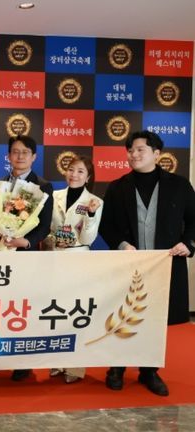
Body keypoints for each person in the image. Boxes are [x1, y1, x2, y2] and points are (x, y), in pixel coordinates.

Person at [99, 130, 195, 397]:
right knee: (122, 315)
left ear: (157, 153)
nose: (134, 154)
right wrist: (121, 244)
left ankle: (149, 370)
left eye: (140, 149)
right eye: (130, 150)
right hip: (127, 266)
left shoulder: (179, 186)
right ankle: (116, 367)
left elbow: (194, 220)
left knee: (155, 320)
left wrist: (188, 244)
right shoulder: (117, 187)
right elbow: (106, 225)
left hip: (165, 266)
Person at [43, 155, 102, 384]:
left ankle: (75, 368)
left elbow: (88, 238)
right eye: (71, 169)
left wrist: (91, 215)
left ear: (88, 177)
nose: (74, 174)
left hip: (78, 259)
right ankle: (56, 362)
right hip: (53, 258)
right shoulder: (54, 196)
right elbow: (46, 229)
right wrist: (53, 240)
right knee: (54, 311)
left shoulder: (94, 201)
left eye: (80, 171)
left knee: (77, 312)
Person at [1, 135, 53, 382]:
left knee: (22, 310)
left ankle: (22, 362)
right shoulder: (0, 183)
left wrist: (27, 242)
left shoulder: (43, 186)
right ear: (8, 156)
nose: (19, 156)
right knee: (1, 308)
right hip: (1, 256)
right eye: (15, 151)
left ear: (34, 157)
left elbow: (44, 225)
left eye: (25, 152)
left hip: (26, 256)